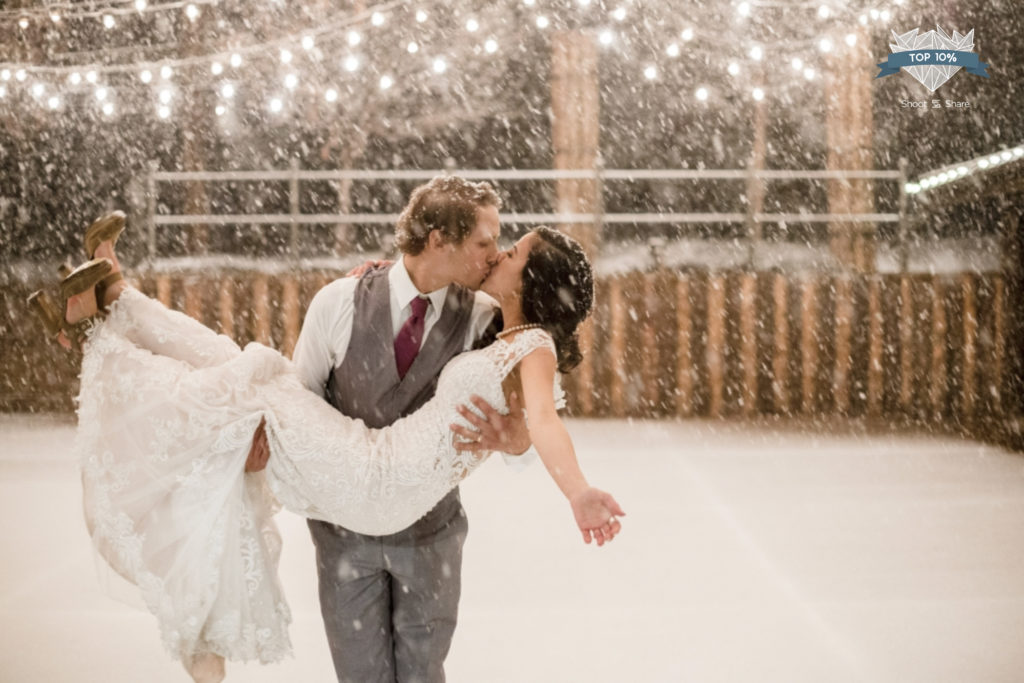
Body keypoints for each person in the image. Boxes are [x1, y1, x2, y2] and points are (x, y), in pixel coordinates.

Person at [33, 211, 624, 682]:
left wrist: (574, 489)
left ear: (531, 282)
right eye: (497, 242)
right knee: (249, 380)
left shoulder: (529, 344)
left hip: (383, 487)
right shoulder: (487, 324)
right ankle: (113, 303)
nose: (500, 252)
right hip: (364, 482)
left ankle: (108, 316)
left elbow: (544, 423)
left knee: (252, 376)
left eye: (514, 251)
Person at [251, 176, 533, 683]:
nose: (494, 255)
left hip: (432, 537)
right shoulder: (337, 303)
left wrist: (520, 440)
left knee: (424, 676)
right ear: (438, 241)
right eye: (483, 243)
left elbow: (529, 409)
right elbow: (299, 408)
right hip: (343, 539)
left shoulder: (485, 320)